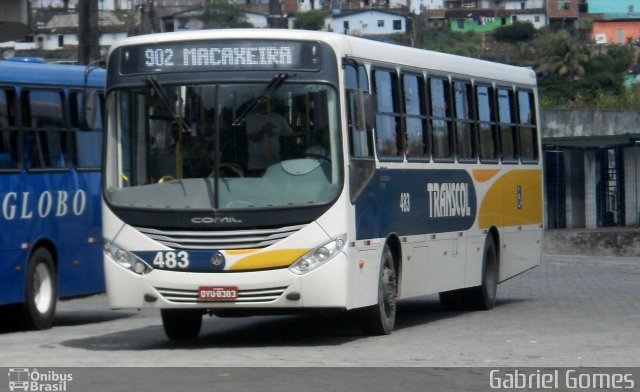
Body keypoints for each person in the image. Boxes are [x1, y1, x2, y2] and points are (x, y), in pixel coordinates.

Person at [245, 99, 292, 174]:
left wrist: (275, 133)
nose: (267, 104)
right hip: (257, 165)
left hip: (275, 162)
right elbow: (254, 138)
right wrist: (263, 130)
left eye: (269, 101)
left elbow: (290, 134)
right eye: (263, 101)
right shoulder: (251, 118)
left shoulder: (278, 118)